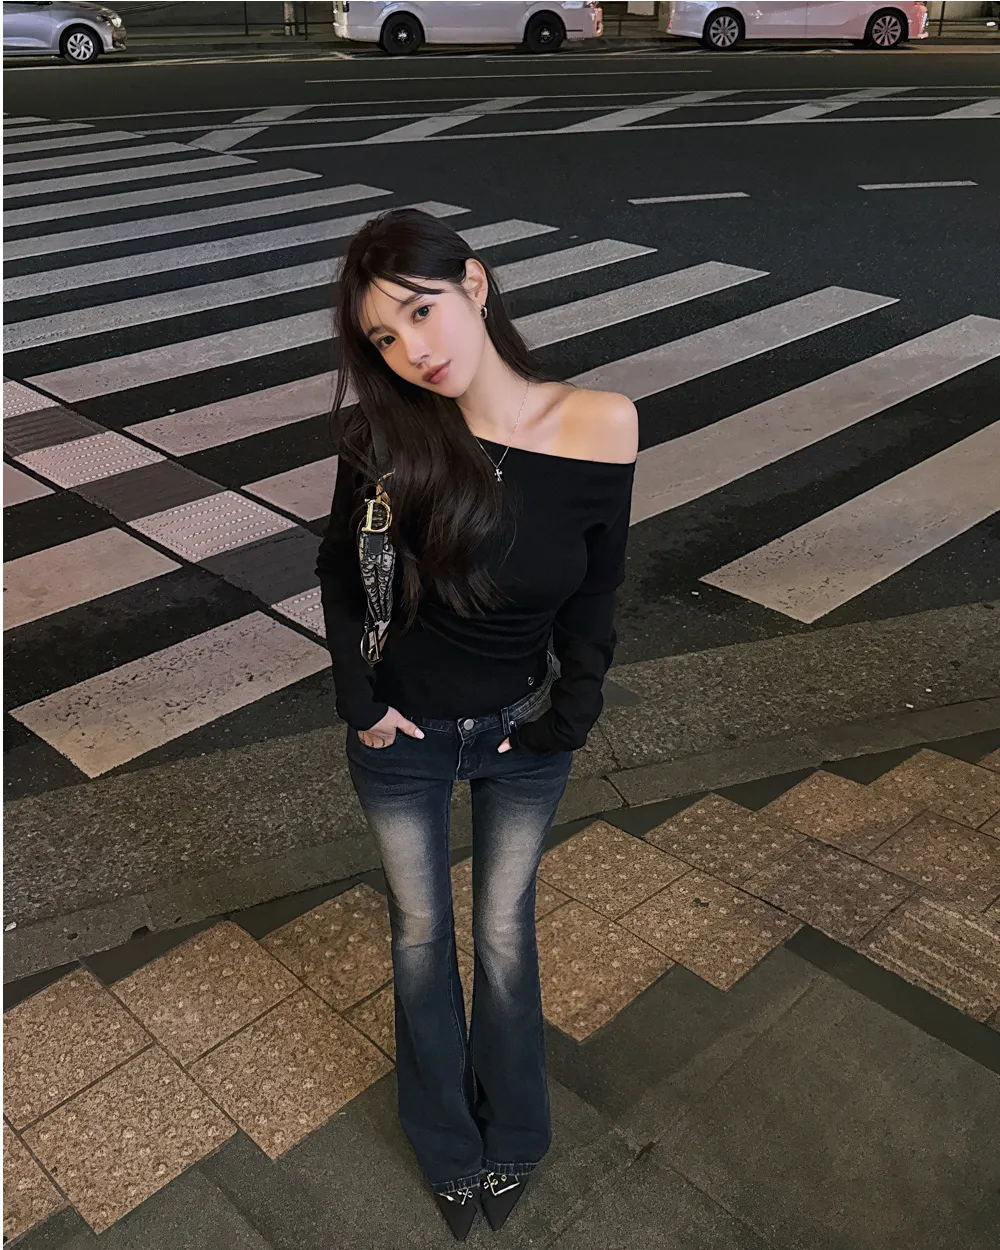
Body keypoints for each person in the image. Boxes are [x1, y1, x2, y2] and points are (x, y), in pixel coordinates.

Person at [316, 208, 637, 1240]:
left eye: (421, 310)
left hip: (520, 736)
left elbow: (597, 591)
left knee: (504, 932)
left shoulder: (601, 423)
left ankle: (519, 1134)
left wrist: (569, 715)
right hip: (402, 740)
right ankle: (447, 1144)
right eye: (384, 336)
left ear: (476, 283)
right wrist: (360, 702)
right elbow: (340, 572)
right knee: (420, 936)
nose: (413, 349)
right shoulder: (383, 438)